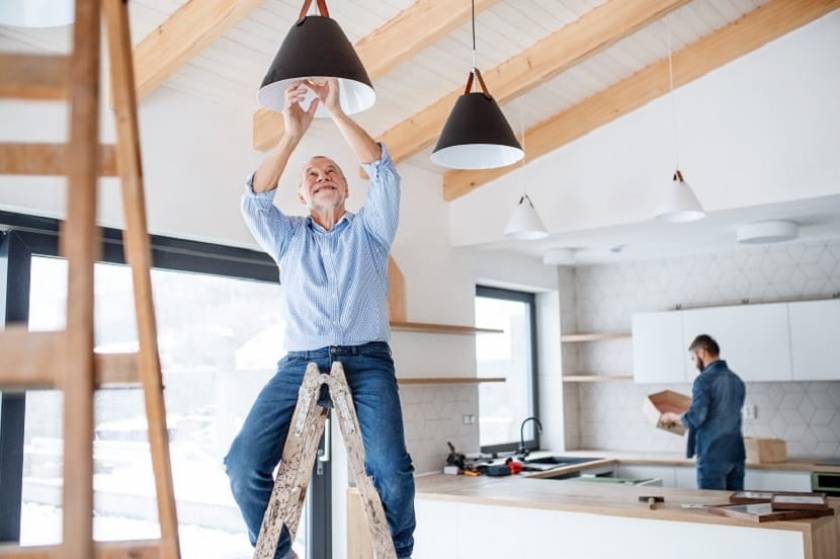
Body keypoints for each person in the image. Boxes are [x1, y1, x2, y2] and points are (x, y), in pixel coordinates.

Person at [223, 78, 416, 559]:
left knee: (390, 470)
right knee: (242, 463)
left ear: (347, 188)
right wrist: (292, 135)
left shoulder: (372, 231)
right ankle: (282, 555)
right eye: (311, 175)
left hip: (368, 364)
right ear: (303, 198)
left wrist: (335, 111)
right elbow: (253, 202)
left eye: (331, 171)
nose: (322, 175)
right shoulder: (287, 238)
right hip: (299, 364)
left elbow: (386, 174)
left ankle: (401, 553)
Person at [662, 334, 746, 491]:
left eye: (693, 358)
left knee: (713, 509)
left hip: (712, 455)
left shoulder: (703, 380)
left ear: (702, 352)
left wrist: (672, 417)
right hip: (736, 454)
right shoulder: (737, 380)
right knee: (737, 509)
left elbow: (696, 417)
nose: (694, 364)